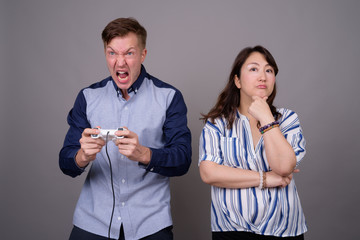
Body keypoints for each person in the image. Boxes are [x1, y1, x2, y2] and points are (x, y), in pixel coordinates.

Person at [59, 17, 192, 240]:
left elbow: (183, 159)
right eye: (112, 53)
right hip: (93, 222)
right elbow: (65, 162)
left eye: (129, 53)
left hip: (150, 224)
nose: (120, 62)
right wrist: (82, 156)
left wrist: (144, 153)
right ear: (105, 55)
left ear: (143, 55)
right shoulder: (87, 97)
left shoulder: (169, 97)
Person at [199, 46, 307, 239]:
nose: (263, 76)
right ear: (237, 80)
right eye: (254, 69)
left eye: (269, 70)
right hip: (232, 229)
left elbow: (283, 167)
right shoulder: (218, 124)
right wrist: (266, 178)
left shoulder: (288, 119)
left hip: (283, 229)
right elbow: (209, 173)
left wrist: (266, 118)